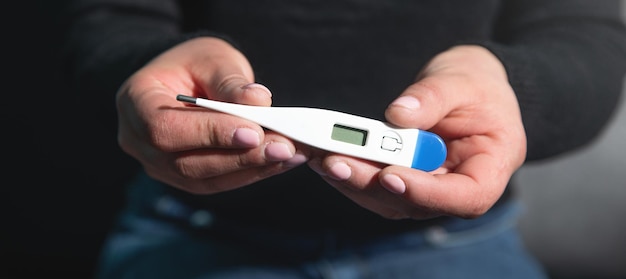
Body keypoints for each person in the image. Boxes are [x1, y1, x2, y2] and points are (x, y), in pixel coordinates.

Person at [60, 1, 626, 278]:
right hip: (189, 237)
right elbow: (109, 18)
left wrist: (509, 89)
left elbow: (588, 36)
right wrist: (143, 73)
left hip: (455, 248)